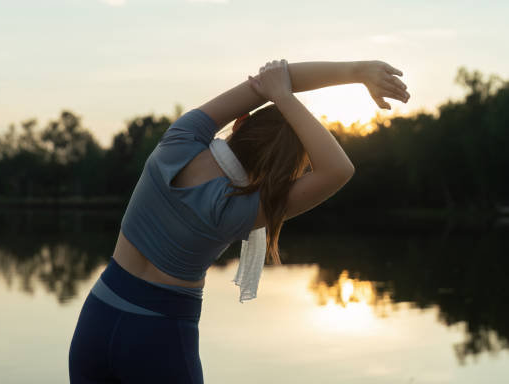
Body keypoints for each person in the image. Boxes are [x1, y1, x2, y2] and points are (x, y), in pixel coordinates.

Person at [68, 59, 409, 383]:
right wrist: (285, 99)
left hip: (97, 318)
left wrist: (356, 70)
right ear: (284, 173)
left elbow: (270, 80)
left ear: (242, 122)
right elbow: (339, 169)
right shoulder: (244, 208)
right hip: (159, 337)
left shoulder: (180, 139)